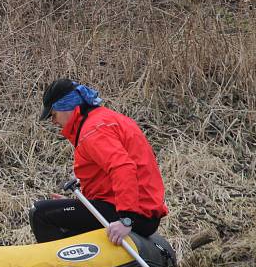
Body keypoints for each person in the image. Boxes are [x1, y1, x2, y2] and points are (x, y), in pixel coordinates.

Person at [30, 78, 168, 245]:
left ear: (67, 106)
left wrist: (127, 219)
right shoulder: (103, 120)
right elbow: (105, 179)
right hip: (138, 210)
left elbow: (123, 168)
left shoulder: (93, 130)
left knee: (40, 213)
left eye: (53, 115)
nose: (53, 121)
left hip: (135, 213)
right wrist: (81, 205)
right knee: (60, 213)